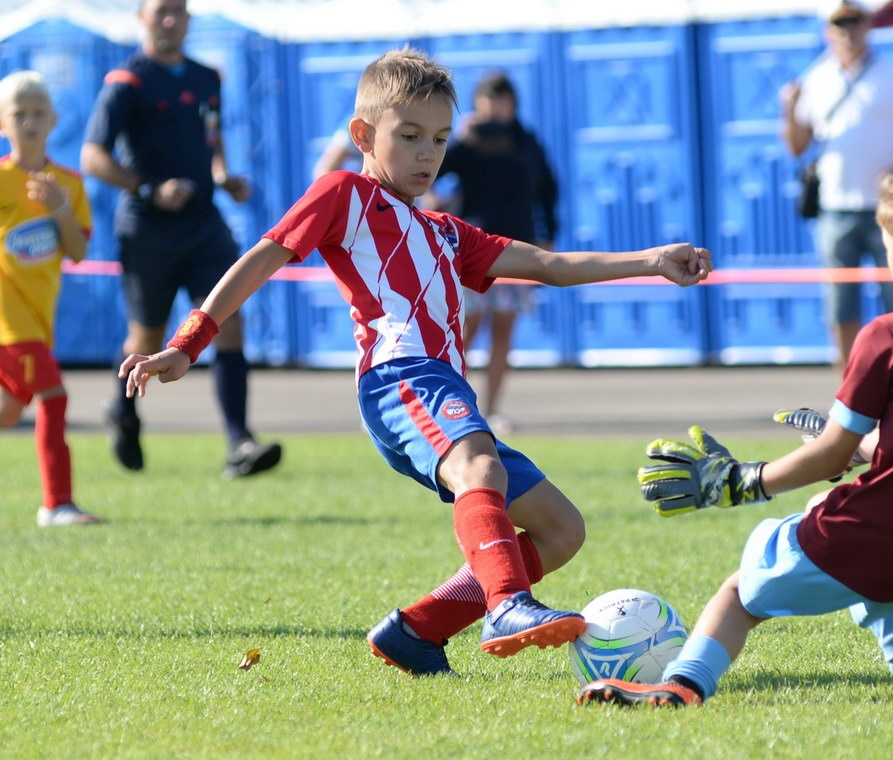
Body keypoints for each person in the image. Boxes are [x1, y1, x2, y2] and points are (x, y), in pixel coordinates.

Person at [118, 47, 712, 675]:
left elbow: (548, 266)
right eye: (409, 137)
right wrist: (188, 341)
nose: (427, 154)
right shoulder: (343, 194)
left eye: (439, 139)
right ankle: (507, 604)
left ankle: (417, 631)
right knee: (480, 465)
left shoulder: (446, 231)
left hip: (444, 388)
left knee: (562, 529)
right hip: (400, 377)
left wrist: (651, 259)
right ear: (361, 136)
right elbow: (260, 259)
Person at [578, 163, 893, 707]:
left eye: (885, 252)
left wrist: (744, 480)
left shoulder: (890, 335)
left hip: (885, 538)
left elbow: (828, 451)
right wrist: (861, 445)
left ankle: (680, 685)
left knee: (740, 592)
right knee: (834, 504)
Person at [80, 0, 282, 478]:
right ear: (142, 18)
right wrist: (149, 188)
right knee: (147, 337)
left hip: (204, 224)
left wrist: (223, 176)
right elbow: (92, 156)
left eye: (179, 11)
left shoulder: (207, 78)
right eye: (161, 11)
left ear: (190, 19)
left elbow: (211, 135)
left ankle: (239, 442)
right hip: (147, 228)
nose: (171, 19)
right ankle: (123, 411)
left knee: (228, 321)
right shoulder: (126, 81)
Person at [781, 0, 893, 369]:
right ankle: (850, 384)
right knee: (841, 304)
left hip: (887, 208)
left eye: (855, 21)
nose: (848, 30)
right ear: (828, 30)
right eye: (839, 23)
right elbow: (797, 146)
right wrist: (789, 110)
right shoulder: (816, 78)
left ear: (868, 26)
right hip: (835, 207)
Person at [0, 70, 103, 527]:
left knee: (6, 414)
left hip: (40, 317)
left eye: (38, 112)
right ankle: (57, 504)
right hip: (7, 316)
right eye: (19, 114)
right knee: (53, 395)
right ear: (3, 123)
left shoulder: (69, 184)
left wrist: (59, 207)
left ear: (54, 120)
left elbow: (79, 253)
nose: (29, 122)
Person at [433, 72, 560, 434]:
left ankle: (492, 410)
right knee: (465, 330)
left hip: (516, 247)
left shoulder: (526, 142)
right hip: (472, 249)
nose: (497, 111)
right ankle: (449, 405)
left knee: (504, 329)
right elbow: (432, 172)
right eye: (489, 103)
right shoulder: (468, 143)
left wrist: (548, 234)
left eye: (503, 102)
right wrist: (459, 140)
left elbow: (548, 189)